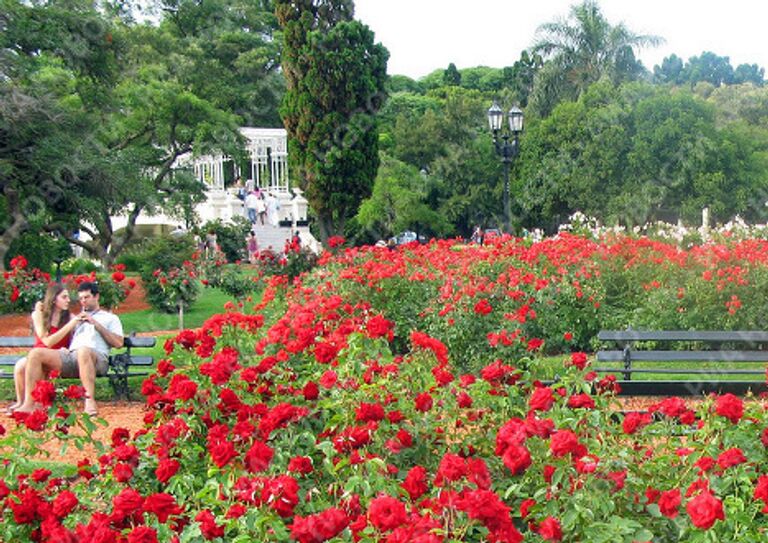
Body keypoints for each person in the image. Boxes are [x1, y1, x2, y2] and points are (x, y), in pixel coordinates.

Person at [15, 282, 124, 416]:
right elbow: (60, 334)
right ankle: (30, 404)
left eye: (87, 297)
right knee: (35, 353)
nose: (83, 301)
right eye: (81, 298)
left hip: (97, 359)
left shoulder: (110, 318)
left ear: (97, 297)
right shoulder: (75, 318)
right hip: (72, 357)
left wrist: (96, 324)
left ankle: (90, 401)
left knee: (83, 350)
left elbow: (119, 343)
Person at [5, 284, 79, 415]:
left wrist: (70, 348)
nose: (68, 300)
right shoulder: (39, 314)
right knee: (20, 366)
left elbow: (78, 338)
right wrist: (70, 325)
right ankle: (21, 403)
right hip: (38, 353)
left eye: (68, 297)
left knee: (31, 364)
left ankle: (34, 404)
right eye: (64, 297)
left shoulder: (70, 318)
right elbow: (47, 341)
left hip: (56, 356)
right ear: (54, 299)